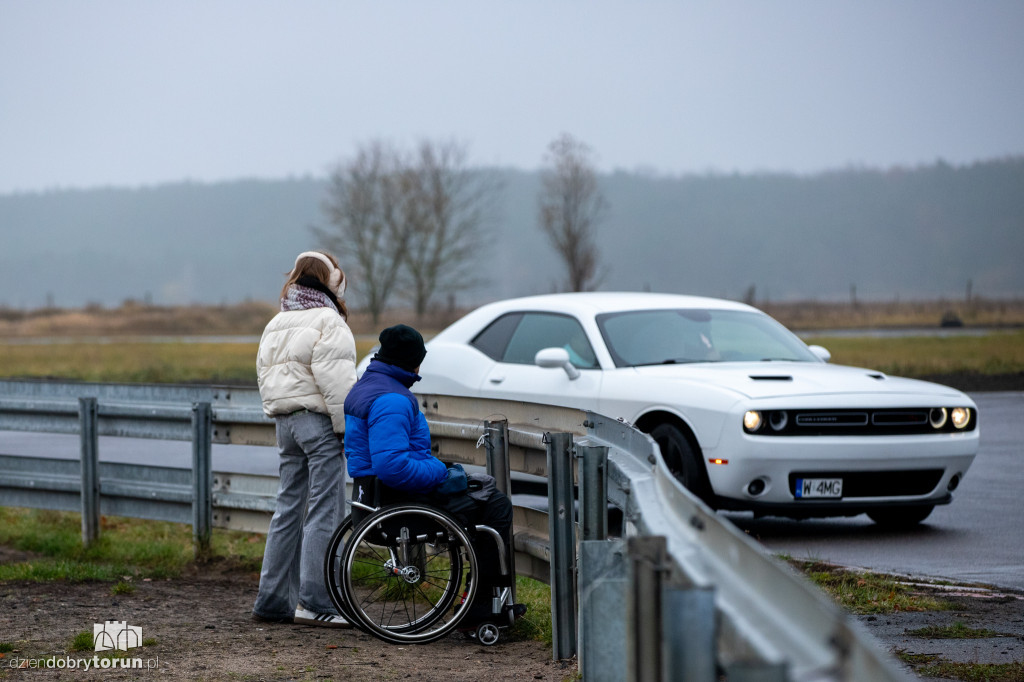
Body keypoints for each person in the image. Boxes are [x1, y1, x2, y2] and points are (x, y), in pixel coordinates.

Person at [343, 324, 524, 626]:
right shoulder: (393, 400)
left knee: (479, 493)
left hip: (375, 498)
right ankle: (481, 606)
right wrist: (439, 470)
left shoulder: (366, 387)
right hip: (401, 505)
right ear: (410, 361)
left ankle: (479, 600)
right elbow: (394, 468)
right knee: (494, 505)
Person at [252, 251, 356, 628]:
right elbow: (338, 381)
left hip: (285, 423)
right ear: (332, 280)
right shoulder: (328, 320)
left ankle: (273, 600)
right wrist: (347, 427)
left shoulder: (278, 321)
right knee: (325, 508)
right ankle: (317, 601)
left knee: (288, 508)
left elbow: (264, 373)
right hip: (317, 423)